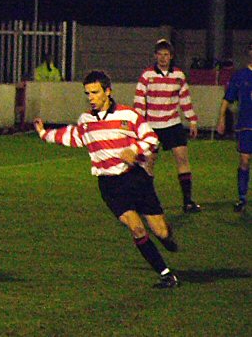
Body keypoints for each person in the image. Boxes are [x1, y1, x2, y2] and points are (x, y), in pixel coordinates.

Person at [34, 70, 179, 288]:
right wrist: (45, 133)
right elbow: (73, 136)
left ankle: (167, 238)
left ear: (108, 92)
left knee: (161, 231)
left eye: (95, 92)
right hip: (110, 185)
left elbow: (152, 139)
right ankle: (165, 274)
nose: (90, 97)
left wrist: (134, 149)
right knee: (136, 228)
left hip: (136, 179)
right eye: (87, 93)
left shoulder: (128, 116)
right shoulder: (85, 121)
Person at [134, 39, 201, 213]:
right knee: (148, 164)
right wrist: (138, 125)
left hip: (173, 124)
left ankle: (188, 202)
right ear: (155, 56)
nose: (163, 58)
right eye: (160, 54)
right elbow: (139, 101)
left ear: (171, 57)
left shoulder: (178, 75)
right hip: (152, 126)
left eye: (166, 55)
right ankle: (145, 203)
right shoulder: (147, 75)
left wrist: (192, 119)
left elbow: (184, 99)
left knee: (182, 159)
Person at [216, 42, 252, 212]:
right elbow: (227, 98)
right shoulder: (240, 76)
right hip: (246, 126)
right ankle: (242, 197)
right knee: (244, 161)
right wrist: (221, 118)